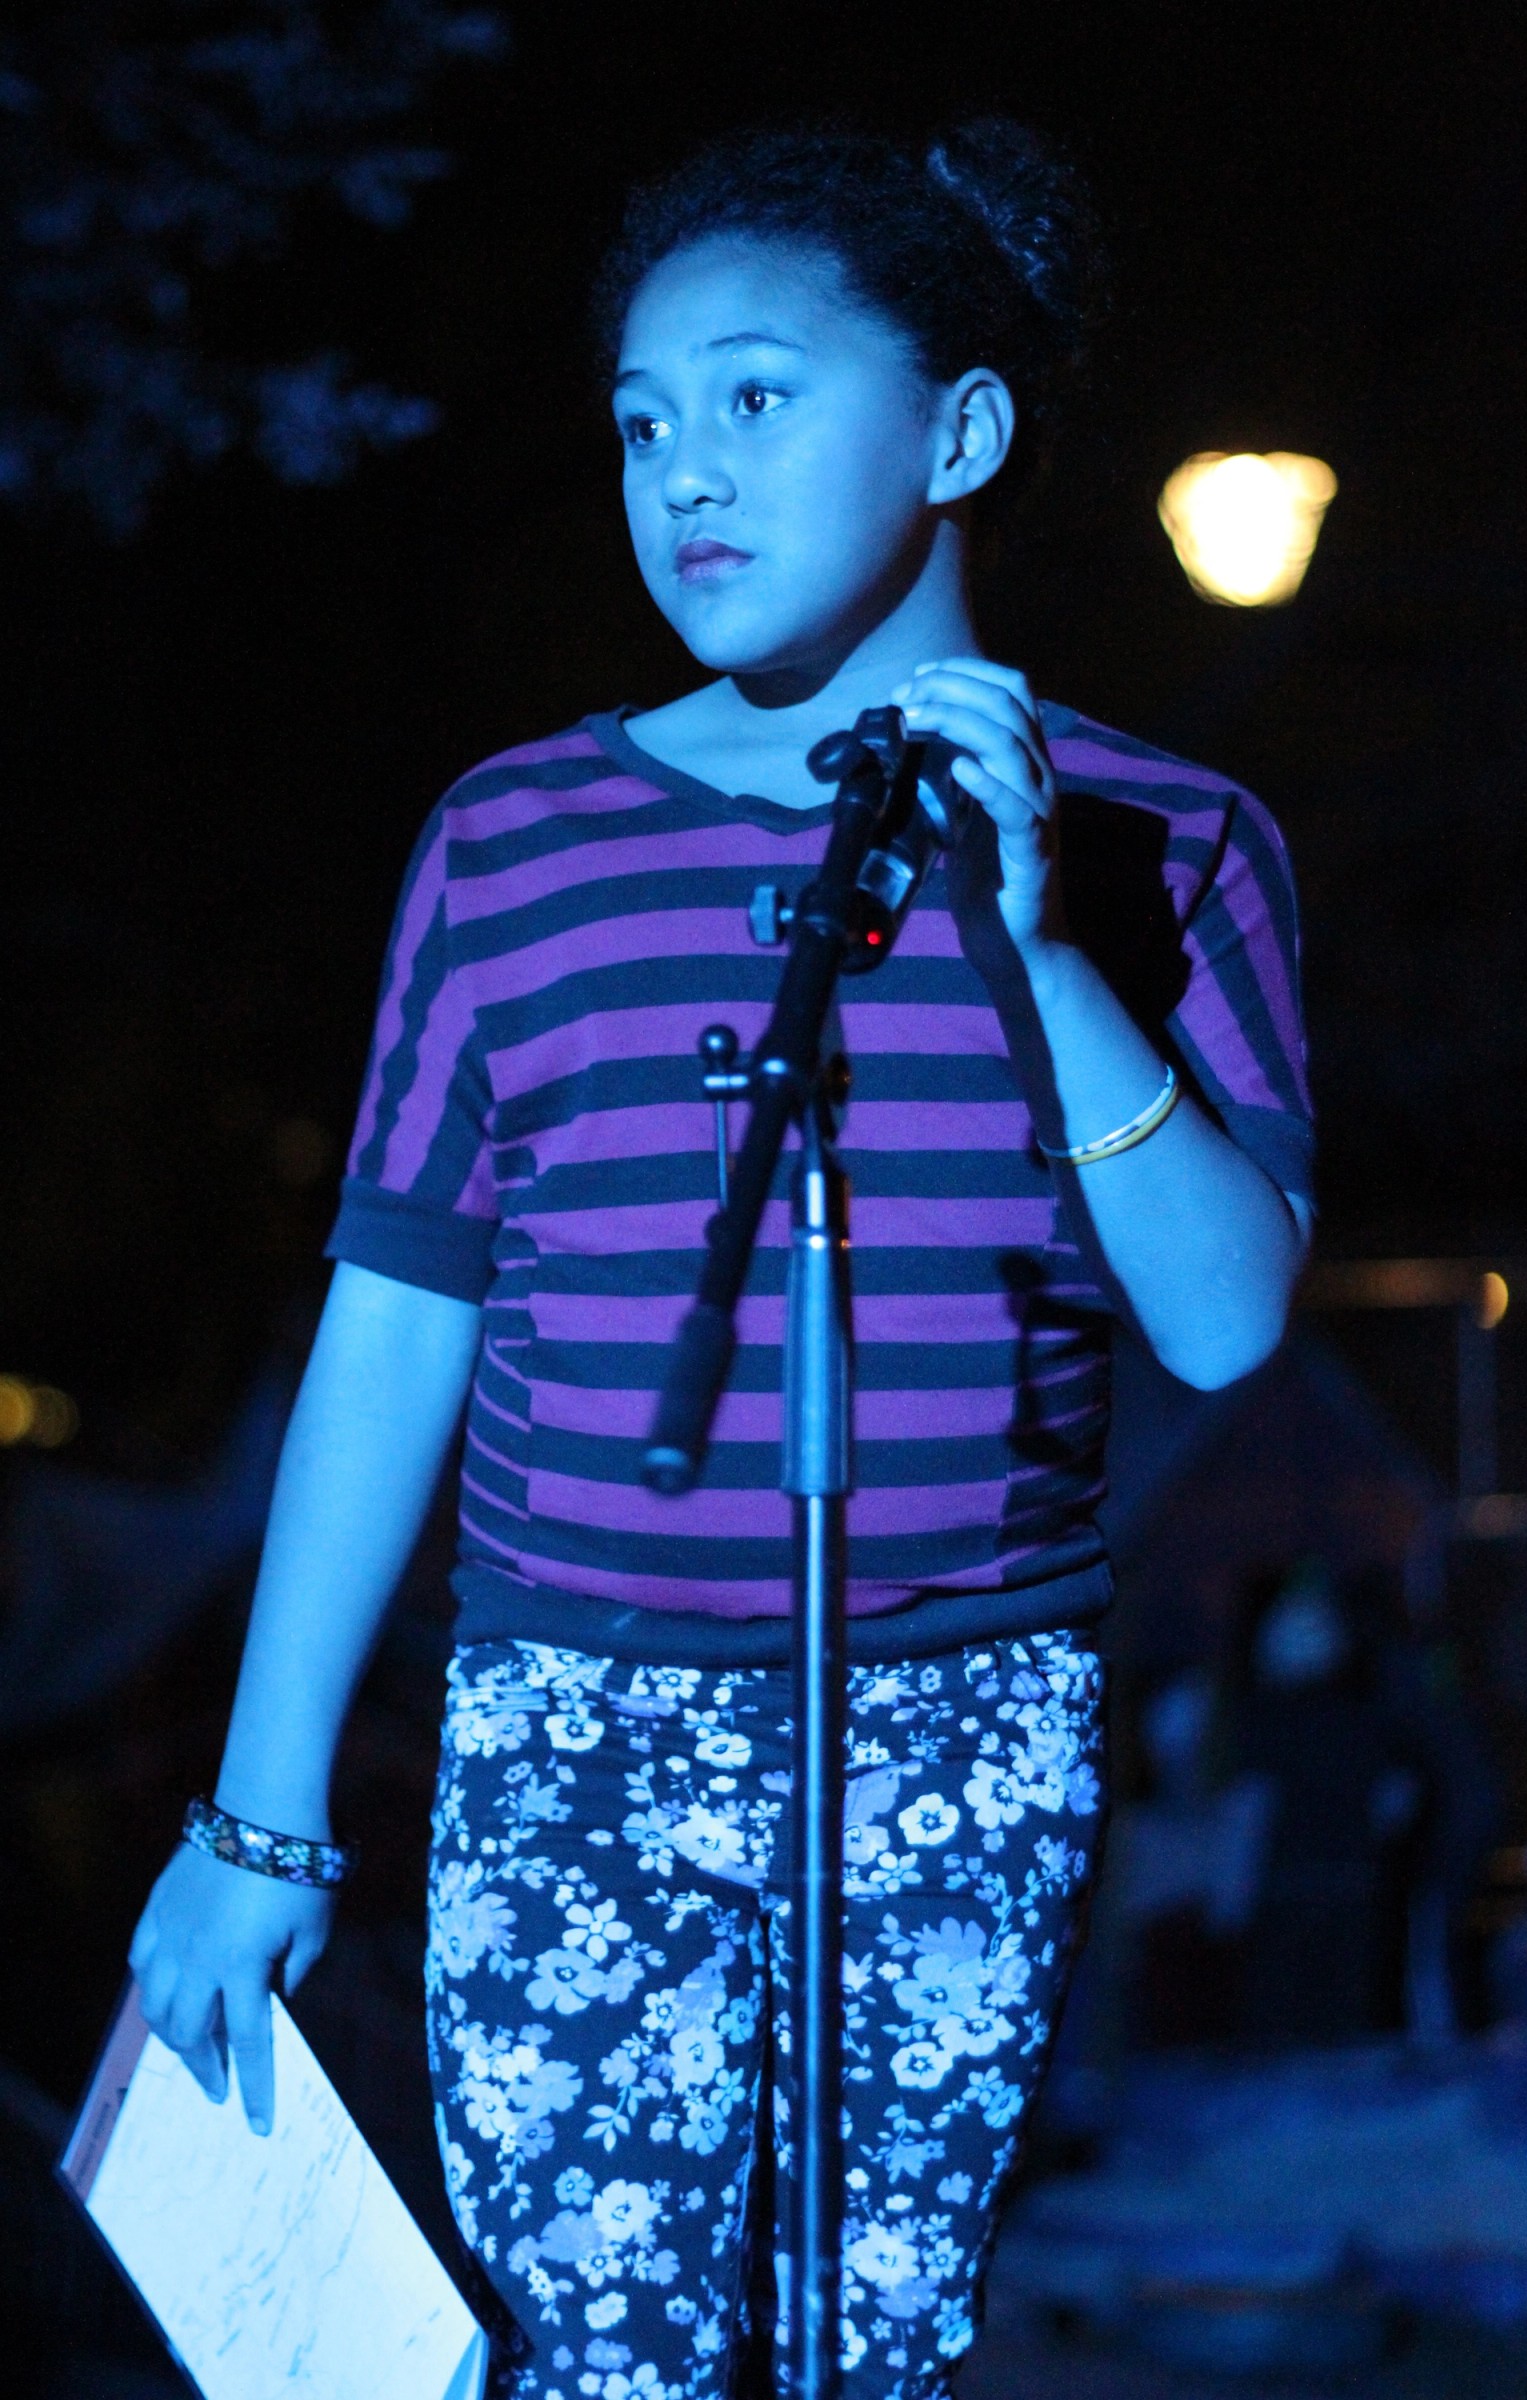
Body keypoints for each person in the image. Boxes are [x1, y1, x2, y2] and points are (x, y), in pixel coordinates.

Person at [129, 120, 1313, 2400]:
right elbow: (393, 1322)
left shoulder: (1171, 839)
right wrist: (259, 1818)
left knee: (873, 2351)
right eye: (643, 423)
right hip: (576, 1712)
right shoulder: (516, 835)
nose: (687, 472)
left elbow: (1224, 1314)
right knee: (603, 2351)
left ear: (954, 428)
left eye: (758, 397)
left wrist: (1034, 941)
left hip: (966, 1712)